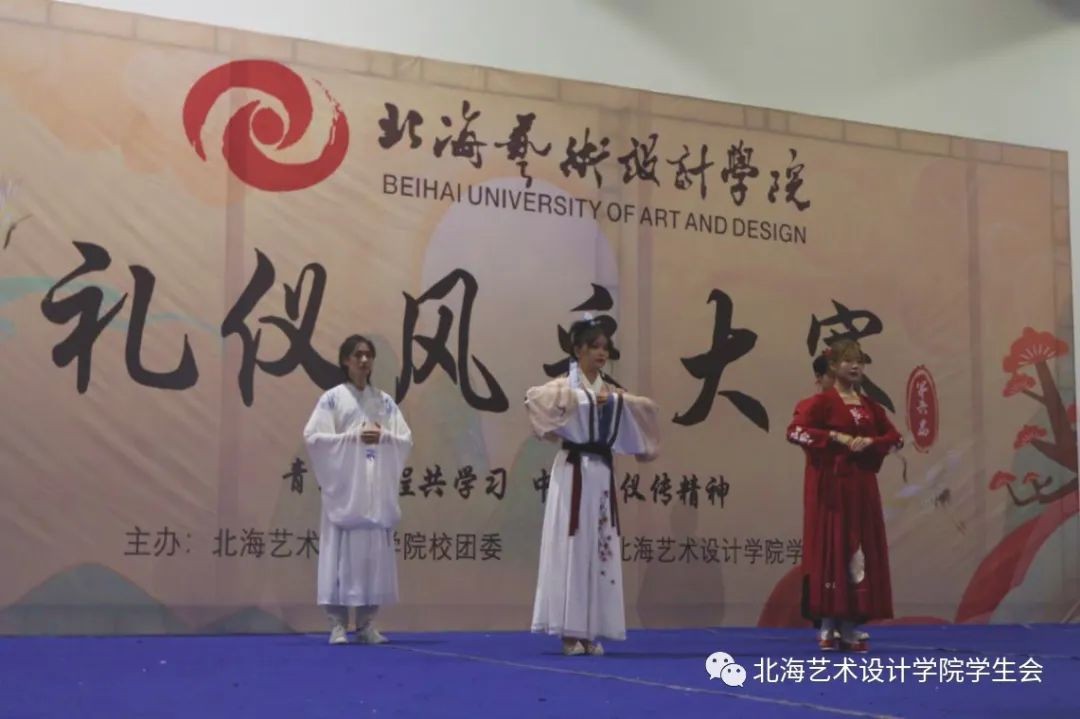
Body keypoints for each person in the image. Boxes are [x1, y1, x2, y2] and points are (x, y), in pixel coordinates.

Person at [525, 317, 661, 656]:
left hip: (600, 471)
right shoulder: (564, 386)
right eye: (594, 346)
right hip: (573, 470)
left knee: (600, 547)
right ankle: (569, 633)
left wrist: (613, 402)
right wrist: (585, 400)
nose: (601, 353)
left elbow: (645, 409)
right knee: (572, 545)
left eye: (605, 348)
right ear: (578, 350)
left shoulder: (610, 390)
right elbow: (535, 400)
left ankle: (591, 630)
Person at [785, 339, 902, 652]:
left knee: (858, 551)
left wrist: (872, 443)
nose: (855, 366)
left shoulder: (869, 407)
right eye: (849, 361)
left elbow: (895, 438)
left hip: (861, 489)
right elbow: (795, 431)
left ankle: (850, 625)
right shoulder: (820, 403)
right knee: (832, 547)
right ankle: (827, 624)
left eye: (859, 361)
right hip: (831, 488)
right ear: (834, 366)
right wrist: (836, 437)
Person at [303, 335, 413, 645]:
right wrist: (352, 438)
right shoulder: (332, 399)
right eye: (357, 355)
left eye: (368, 355)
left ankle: (366, 624)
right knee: (339, 555)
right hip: (345, 488)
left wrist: (383, 437)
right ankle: (337, 624)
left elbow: (405, 439)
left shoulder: (384, 401)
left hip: (372, 488)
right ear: (345, 361)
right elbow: (314, 438)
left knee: (371, 557)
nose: (364, 360)